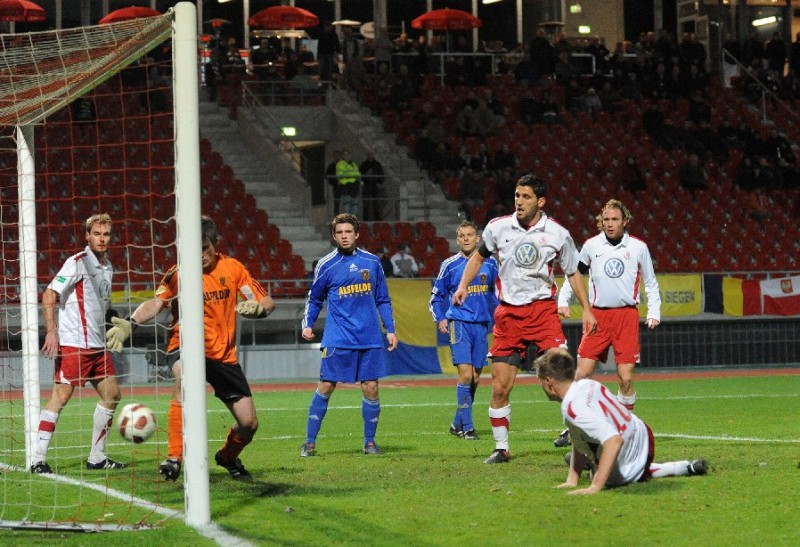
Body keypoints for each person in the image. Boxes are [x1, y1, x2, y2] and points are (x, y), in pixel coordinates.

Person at [105, 216, 275, 481]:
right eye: (195, 249)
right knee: (183, 377)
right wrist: (131, 323)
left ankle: (227, 457)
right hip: (185, 346)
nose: (200, 255)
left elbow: (266, 301)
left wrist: (259, 310)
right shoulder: (178, 273)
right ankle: (174, 457)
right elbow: (156, 303)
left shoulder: (233, 269)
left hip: (223, 356)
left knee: (248, 424)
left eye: (205, 248)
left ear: (214, 244)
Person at [452, 174, 598, 464]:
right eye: (517, 195)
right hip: (508, 315)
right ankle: (501, 448)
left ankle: (578, 438)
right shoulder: (497, 227)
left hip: (543, 313)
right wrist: (462, 285)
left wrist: (587, 309)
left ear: (541, 201)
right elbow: (478, 257)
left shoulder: (557, 233)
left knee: (561, 379)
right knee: (499, 387)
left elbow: (572, 272)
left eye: (526, 197)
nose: (519, 201)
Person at [554, 199, 660, 447]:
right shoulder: (592, 246)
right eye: (606, 220)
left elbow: (651, 282)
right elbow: (574, 275)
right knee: (582, 374)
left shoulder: (638, 248)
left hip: (626, 317)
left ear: (625, 221)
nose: (610, 224)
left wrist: (654, 310)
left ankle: (623, 424)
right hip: (597, 317)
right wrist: (563, 300)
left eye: (615, 219)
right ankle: (573, 427)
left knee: (625, 378)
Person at [536, 348, 708, 495]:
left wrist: (595, 487)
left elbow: (614, 440)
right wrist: (572, 479)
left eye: (541, 382)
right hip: (643, 432)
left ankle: (594, 464)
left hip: (630, 455)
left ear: (549, 382)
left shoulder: (573, 408)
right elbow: (580, 436)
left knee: (602, 475)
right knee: (593, 447)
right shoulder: (586, 384)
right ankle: (687, 467)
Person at [32, 213, 126, 473]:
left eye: (106, 234)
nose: (102, 239)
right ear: (87, 236)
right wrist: (52, 332)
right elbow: (49, 294)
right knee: (60, 397)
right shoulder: (77, 263)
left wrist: (113, 323)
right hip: (74, 344)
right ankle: (37, 460)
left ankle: (97, 457)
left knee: (112, 395)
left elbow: (99, 306)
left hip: (97, 347)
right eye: (96, 234)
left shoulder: (108, 268)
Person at [300, 213, 398, 457]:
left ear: (357, 234)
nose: (344, 236)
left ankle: (369, 443)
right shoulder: (326, 265)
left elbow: (383, 299)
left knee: (371, 387)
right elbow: (315, 298)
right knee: (326, 385)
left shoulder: (372, 263)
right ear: (334, 236)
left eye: (348, 232)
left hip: (369, 337)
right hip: (338, 337)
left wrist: (390, 329)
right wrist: (308, 324)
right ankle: (309, 442)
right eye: (339, 232)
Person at [430, 221, 499, 440]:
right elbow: (436, 297)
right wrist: (441, 317)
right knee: (466, 375)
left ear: (478, 239)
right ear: (458, 240)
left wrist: (501, 317)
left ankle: (456, 423)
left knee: (476, 378)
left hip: (481, 326)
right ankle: (467, 428)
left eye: (470, 235)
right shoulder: (449, 265)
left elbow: (496, 294)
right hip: (459, 323)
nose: (467, 238)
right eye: (462, 235)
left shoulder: (490, 263)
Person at [359, 150, 385, 221]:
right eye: (368, 154)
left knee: (377, 204)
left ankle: (377, 220)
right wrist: (366, 176)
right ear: (366, 155)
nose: (370, 156)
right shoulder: (363, 165)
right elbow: (360, 177)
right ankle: (365, 220)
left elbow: (381, 176)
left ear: (373, 154)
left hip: (375, 186)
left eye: (371, 154)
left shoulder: (377, 164)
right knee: (366, 204)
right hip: (366, 186)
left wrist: (378, 182)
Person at [336, 148, 362, 217]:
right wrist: (353, 174)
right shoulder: (340, 164)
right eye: (345, 154)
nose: (347, 156)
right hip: (345, 186)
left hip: (354, 186)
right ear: (342, 156)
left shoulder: (353, 164)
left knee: (355, 206)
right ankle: (346, 219)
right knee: (346, 206)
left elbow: (358, 174)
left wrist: (350, 174)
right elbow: (341, 175)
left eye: (348, 154)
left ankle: (352, 219)